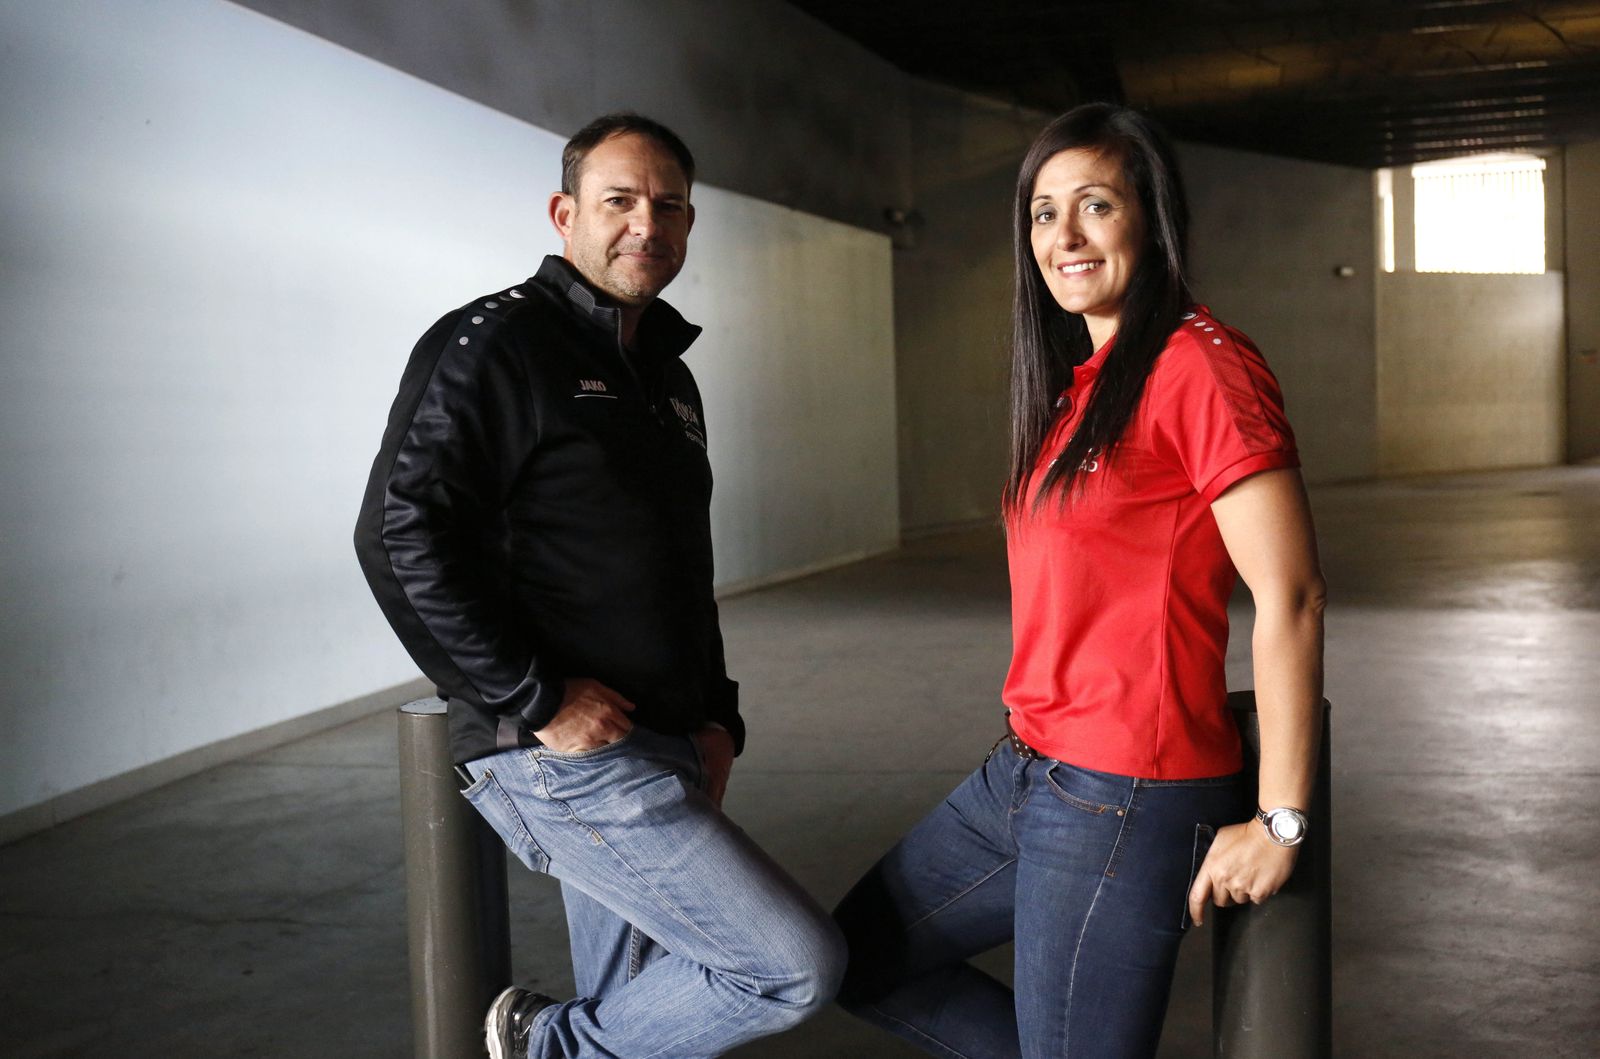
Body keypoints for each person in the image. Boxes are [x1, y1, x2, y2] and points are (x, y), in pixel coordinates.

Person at [833, 103, 1326, 1059]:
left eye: (1094, 205)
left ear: (1151, 215)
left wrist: (1280, 817)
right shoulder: (1083, 388)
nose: (1064, 236)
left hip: (1129, 789)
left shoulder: (1201, 368)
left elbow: (1292, 594)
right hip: (1029, 768)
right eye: (1042, 213)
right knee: (854, 955)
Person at [354, 113, 843, 1059]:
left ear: (690, 225)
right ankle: (541, 1046)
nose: (644, 226)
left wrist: (716, 717)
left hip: (659, 734)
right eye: (619, 201)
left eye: (667, 207)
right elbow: (397, 531)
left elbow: (677, 565)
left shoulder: (666, 379)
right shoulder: (492, 345)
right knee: (792, 963)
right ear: (565, 211)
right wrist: (533, 696)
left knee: (648, 1008)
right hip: (556, 747)